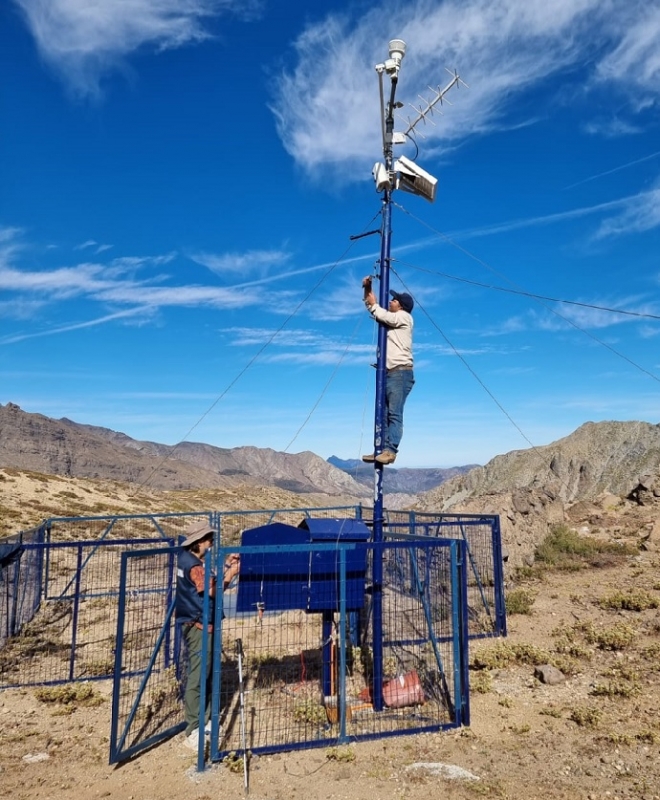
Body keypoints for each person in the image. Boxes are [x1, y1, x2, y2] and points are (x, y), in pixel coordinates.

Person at [175, 520, 240, 750]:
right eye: (209, 540)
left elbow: (205, 575)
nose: (211, 543)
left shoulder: (187, 559)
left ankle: (209, 720)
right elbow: (211, 590)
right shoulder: (194, 566)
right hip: (199, 625)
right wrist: (230, 575)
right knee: (199, 675)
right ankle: (194, 728)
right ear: (199, 542)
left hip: (200, 622)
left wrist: (224, 564)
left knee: (209, 671)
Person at [362, 276, 415, 465]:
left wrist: (375, 305)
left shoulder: (403, 317)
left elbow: (382, 314)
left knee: (394, 413)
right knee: (383, 414)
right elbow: (373, 308)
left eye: (394, 300)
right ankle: (380, 449)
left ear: (400, 305)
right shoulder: (393, 319)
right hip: (390, 373)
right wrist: (368, 288)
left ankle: (390, 450)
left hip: (400, 373)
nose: (391, 301)